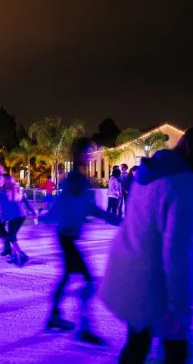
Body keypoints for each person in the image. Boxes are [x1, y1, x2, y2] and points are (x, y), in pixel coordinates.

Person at [99, 124, 193, 364]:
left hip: (132, 275)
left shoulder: (150, 172)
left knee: (138, 344)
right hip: (155, 284)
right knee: (174, 352)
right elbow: (178, 251)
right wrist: (178, 306)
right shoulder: (187, 184)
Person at [42, 137, 121, 345]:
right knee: (87, 281)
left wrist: (114, 219)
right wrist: (114, 219)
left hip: (67, 236)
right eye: (88, 152)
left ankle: (55, 316)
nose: (91, 155)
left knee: (67, 277)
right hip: (67, 236)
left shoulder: (77, 178)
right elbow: (70, 205)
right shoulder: (76, 179)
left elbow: (82, 206)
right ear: (79, 154)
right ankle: (83, 327)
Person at [0, 174, 36, 266]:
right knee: (12, 236)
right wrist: (32, 212)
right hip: (21, 215)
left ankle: (21, 254)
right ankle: (13, 255)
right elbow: (25, 200)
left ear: (4, 181)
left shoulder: (0, 192)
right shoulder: (17, 189)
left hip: (13, 216)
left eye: (1, 179)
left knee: (11, 236)